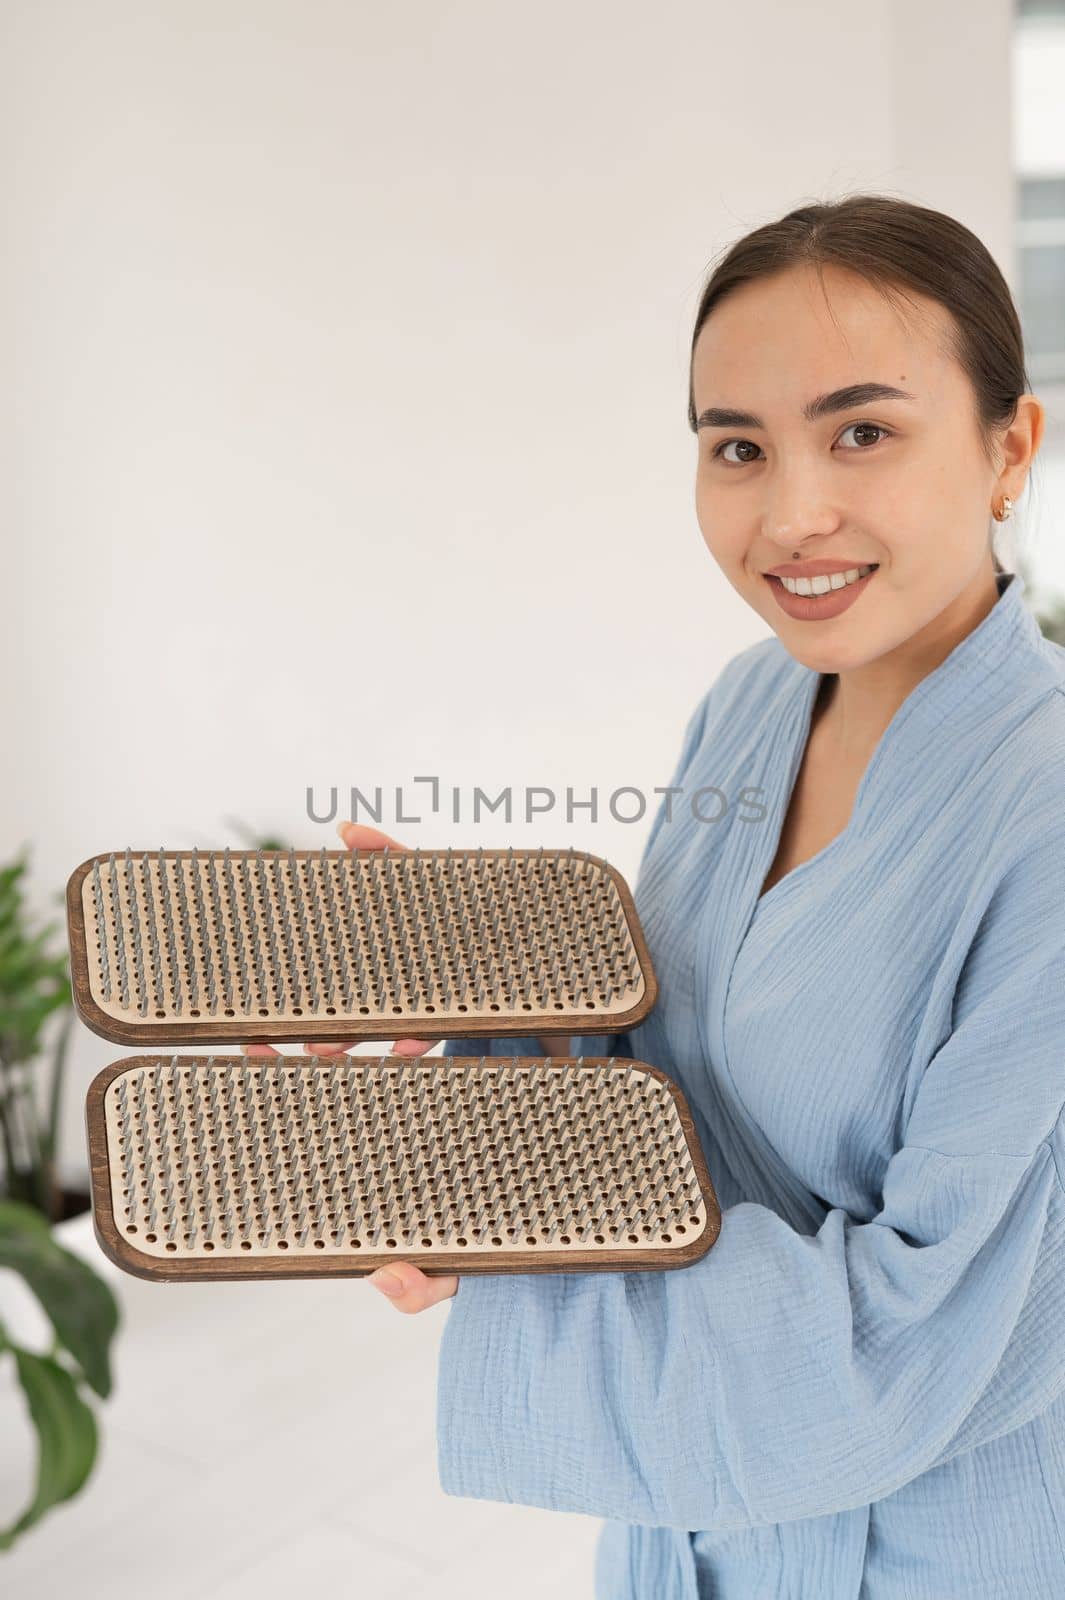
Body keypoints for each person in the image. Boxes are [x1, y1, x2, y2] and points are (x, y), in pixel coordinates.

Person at [247, 194, 1065, 1597]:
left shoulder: (1041, 814)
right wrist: (487, 999)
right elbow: (671, 1056)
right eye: (734, 448)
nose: (789, 512)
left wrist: (521, 1264)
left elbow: (917, 1328)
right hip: (691, 1517)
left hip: (933, 1539)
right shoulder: (754, 702)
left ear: (1009, 445)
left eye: (860, 431)